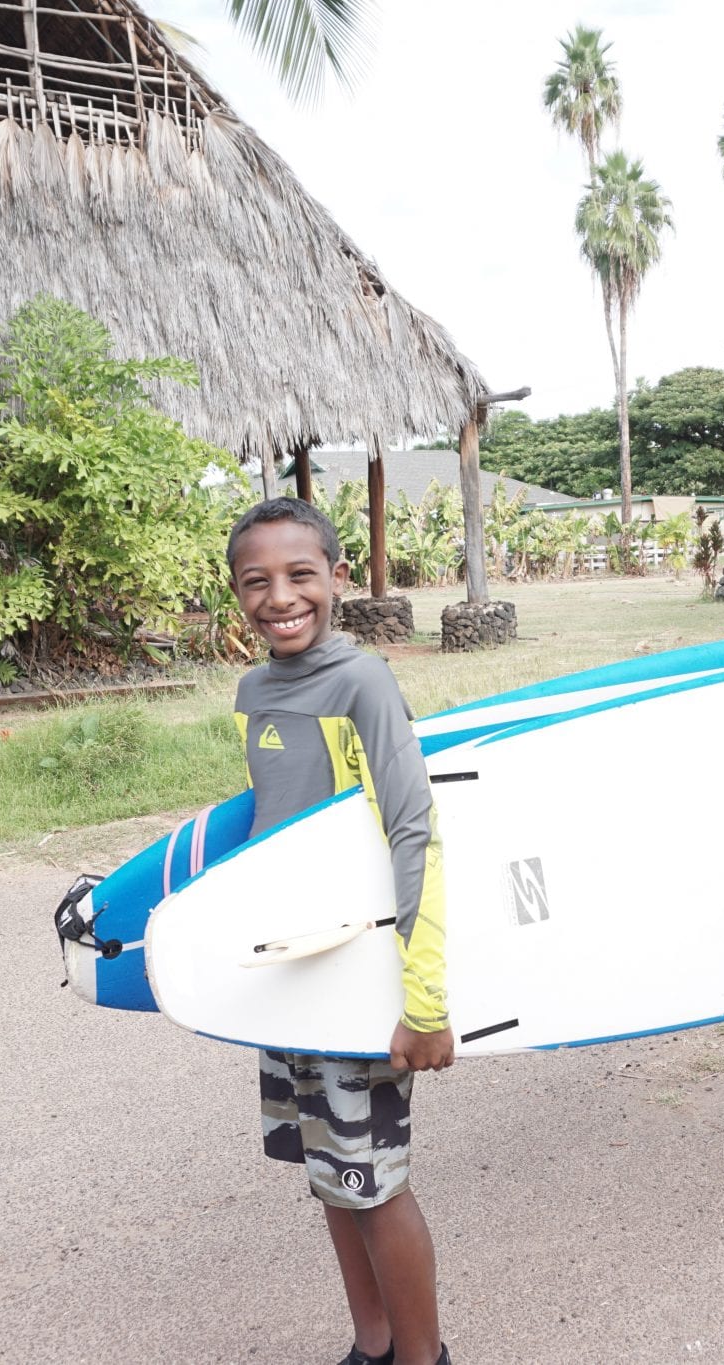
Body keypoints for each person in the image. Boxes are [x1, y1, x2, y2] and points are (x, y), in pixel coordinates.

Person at [227, 497, 455, 1365]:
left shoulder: (362, 681)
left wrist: (423, 998)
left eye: (300, 575)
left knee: (376, 1182)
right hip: (294, 975)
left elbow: (412, 829)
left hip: (358, 978)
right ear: (238, 593)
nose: (281, 596)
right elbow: (277, 828)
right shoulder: (254, 691)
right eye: (258, 581)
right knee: (334, 1179)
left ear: (338, 578)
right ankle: (373, 1344)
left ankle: (424, 1357)